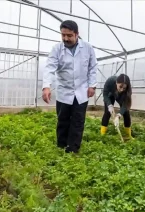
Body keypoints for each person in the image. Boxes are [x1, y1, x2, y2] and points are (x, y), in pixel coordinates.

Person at [42, 20, 97, 153]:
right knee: (63, 120)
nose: (66, 38)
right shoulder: (57, 49)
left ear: (77, 34)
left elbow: (93, 68)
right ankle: (61, 146)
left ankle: (73, 149)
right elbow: (50, 67)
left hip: (81, 91)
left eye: (69, 35)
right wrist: (46, 86)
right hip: (64, 91)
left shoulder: (88, 48)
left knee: (78, 122)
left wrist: (92, 85)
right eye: (63, 35)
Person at [100, 74, 134, 140]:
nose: (121, 89)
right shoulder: (110, 81)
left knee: (126, 113)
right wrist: (109, 105)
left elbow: (125, 104)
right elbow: (105, 94)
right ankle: (102, 134)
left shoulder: (127, 91)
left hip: (121, 96)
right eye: (120, 86)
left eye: (124, 88)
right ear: (116, 83)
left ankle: (128, 135)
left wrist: (118, 115)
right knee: (107, 112)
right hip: (110, 95)